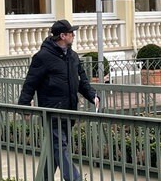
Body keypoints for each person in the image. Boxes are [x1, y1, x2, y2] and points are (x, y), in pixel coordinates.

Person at [18, 19, 100, 181]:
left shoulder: (73, 56)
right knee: (60, 147)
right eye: (71, 33)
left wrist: (93, 96)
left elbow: (81, 81)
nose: (74, 36)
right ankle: (75, 179)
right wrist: (24, 106)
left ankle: (44, 178)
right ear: (63, 35)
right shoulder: (43, 57)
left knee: (57, 148)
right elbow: (30, 82)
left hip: (69, 110)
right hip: (52, 111)